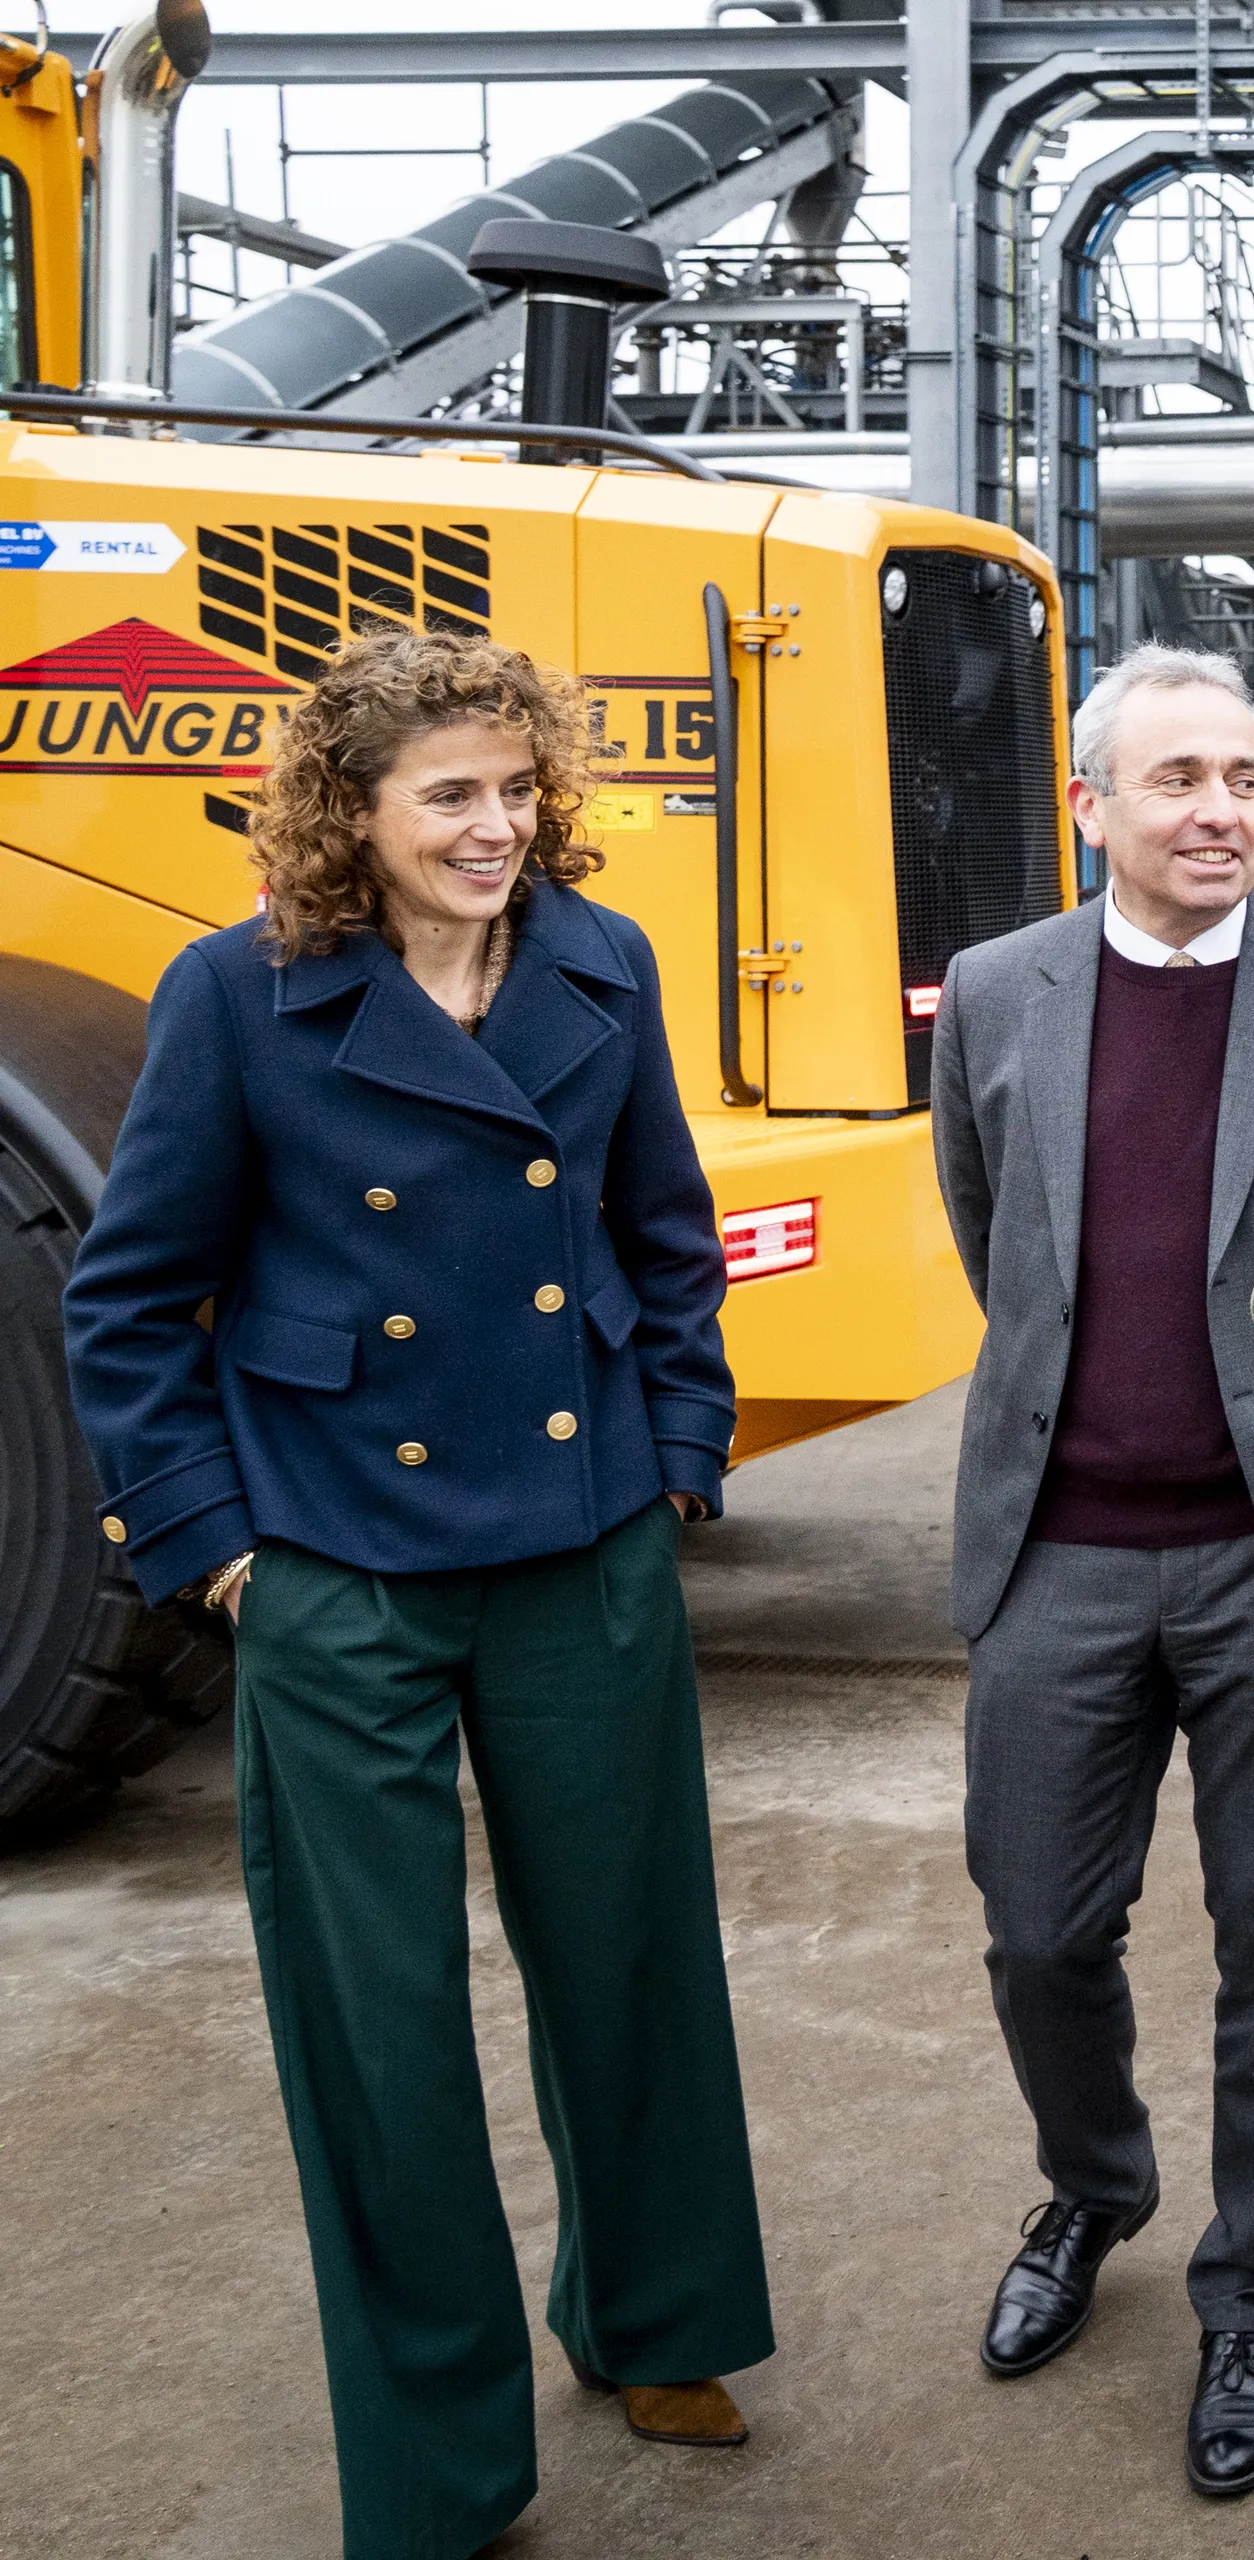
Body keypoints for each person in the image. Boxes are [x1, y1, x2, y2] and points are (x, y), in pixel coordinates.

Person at [60, 628, 771, 2560]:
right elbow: (125, 1304)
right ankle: (441, 2464)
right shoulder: (237, 997)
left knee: (631, 1960)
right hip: (338, 1557)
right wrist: (212, 1544)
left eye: (514, 786)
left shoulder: (598, 966)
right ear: (350, 816)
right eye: (447, 793)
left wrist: (680, 1455)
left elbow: (666, 1236)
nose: (494, 824)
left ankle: (655, 2320)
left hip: (584, 1534)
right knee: (377, 2026)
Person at [927, 642, 1254, 2498]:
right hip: (1061, 1551)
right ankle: (1093, 2186)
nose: (1220, 811)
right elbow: (993, 1229)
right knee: (1042, 1929)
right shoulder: (995, 991)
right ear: (1091, 804)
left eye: (1247, 779)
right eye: (1181, 779)